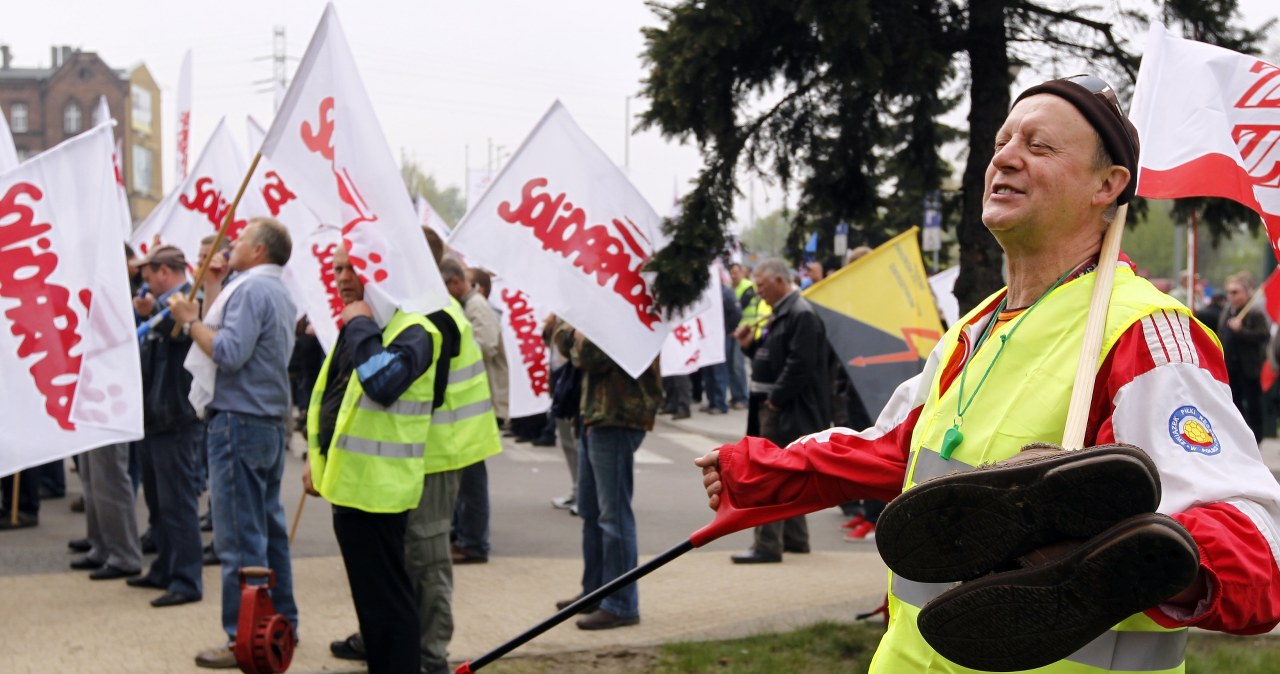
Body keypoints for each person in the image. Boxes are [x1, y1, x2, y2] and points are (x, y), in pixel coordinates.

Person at [695, 75, 1280, 672]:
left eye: (1039, 145)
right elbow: (897, 448)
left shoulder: (1144, 332)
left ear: (1108, 185)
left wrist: (1131, 565)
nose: (1005, 156)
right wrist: (758, 471)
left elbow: (1251, 539)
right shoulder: (976, 326)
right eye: (1002, 142)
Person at [170, 218, 299, 669]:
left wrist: (189, 323)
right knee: (268, 528)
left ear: (259, 250)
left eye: (241, 239)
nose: (233, 243)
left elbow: (227, 351)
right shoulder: (275, 291)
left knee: (240, 538)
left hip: (239, 421)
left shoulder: (251, 291)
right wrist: (212, 285)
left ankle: (243, 635)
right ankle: (280, 624)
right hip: (263, 420)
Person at [304, 244, 438, 674]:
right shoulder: (364, 325)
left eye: (351, 268)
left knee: (389, 609)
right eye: (337, 268)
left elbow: (382, 382)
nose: (342, 278)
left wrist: (359, 324)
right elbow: (338, 401)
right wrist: (317, 460)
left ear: (379, 272)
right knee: (374, 610)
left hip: (381, 491)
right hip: (353, 487)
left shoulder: (415, 328)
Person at [553, 320, 662, 630]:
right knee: (591, 511)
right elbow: (564, 343)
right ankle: (595, 592)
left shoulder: (626, 311)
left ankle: (622, 603)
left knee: (613, 517)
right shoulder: (597, 306)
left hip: (617, 417)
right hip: (595, 416)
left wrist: (577, 333)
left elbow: (590, 356)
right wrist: (573, 330)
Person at [727, 258, 831, 564]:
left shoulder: (800, 314)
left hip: (785, 409)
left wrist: (776, 401)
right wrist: (749, 347)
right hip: (779, 406)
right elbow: (772, 357)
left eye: (761, 285)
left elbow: (799, 365)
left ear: (780, 282)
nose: (758, 292)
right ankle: (795, 540)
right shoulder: (786, 313)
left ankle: (767, 544)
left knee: (769, 475)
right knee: (787, 475)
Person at [125, 245, 205, 604]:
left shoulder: (189, 299)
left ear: (164, 272)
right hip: (155, 416)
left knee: (178, 503)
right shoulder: (161, 305)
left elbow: (182, 324)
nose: (144, 283)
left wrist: (153, 309)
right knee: (158, 501)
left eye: (148, 275)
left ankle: (186, 579)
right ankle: (164, 567)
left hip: (175, 416)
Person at [442, 256, 496, 565]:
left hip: (474, 405)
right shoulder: (468, 306)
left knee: (473, 482)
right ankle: (464, 536)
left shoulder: (476, 306)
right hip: (468, 404)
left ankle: (474, 543)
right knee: (466, 480)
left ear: (455, 284)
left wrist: (454, 345)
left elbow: (487, 343)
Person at [1219, 272, 1269, 443]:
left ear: (1246, 292)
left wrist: (1241, 331)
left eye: (1235, 292)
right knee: (1235, 403)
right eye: (1229, 292)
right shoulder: (1227, 311)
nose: (1231, 296)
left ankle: (1256, 438)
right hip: (1230, 367)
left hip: (1248, 367)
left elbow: (1263, 335)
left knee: (1253, 404)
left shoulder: (1254, 313)